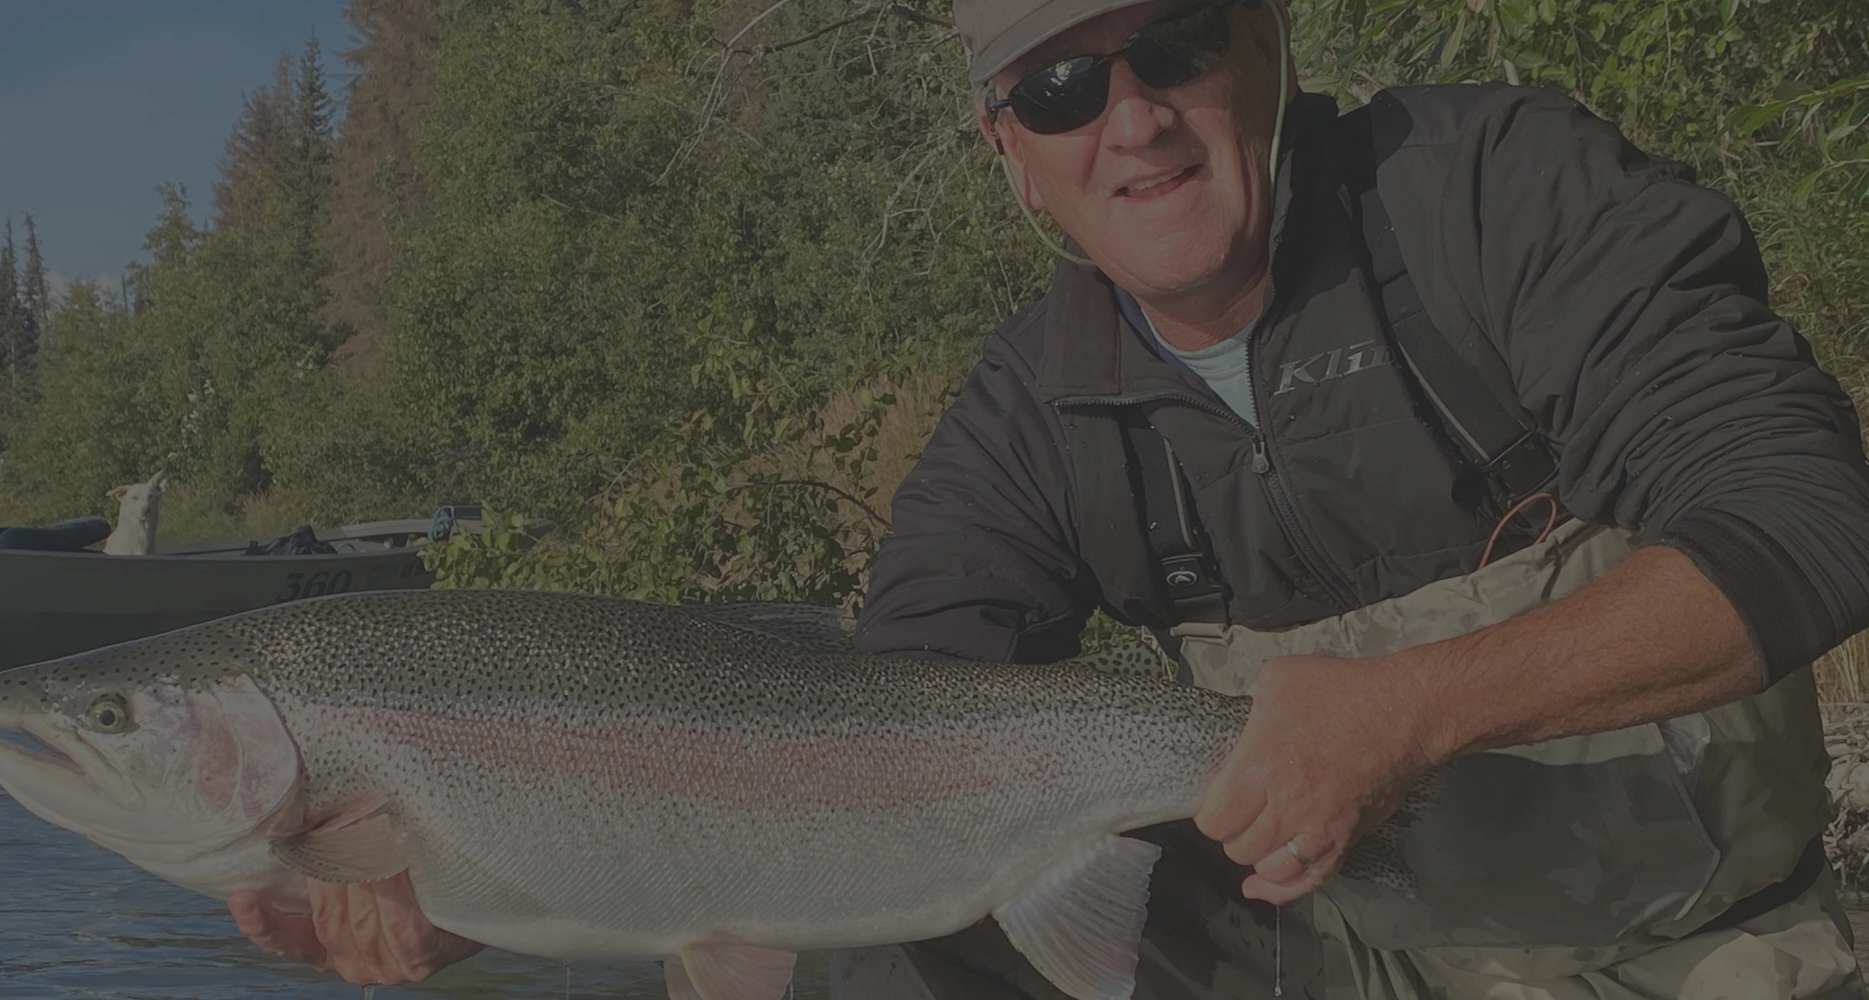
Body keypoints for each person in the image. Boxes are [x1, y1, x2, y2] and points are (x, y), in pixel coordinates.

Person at [231, 1, 1869, 996]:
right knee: (887, 948)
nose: (1134, 119)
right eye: (1063, 91)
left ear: (1266, 40)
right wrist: (495, 876)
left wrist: (1416, 712)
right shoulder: (1028, 412)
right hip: (1312, 962)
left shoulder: (1498, 199)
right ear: (1008, 150)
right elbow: (842, 759)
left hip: (1682, 953)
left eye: (1169, 44)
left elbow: (1810, 514)